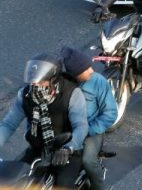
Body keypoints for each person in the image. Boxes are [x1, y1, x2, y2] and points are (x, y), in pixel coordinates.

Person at [0, 54, 88, 186]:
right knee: (11, 181)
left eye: (41, 82)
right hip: (38, 148)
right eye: (32, 82)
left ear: (53, 80)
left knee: (63, 184)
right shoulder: (25, 95)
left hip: (67, 151)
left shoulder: (72, 94)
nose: (35, 86)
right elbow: (8, 124)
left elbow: (81, 127)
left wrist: (68, 148)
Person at [60, 47, 115, 190]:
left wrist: (88, 130)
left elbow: (110, 113)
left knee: (88, 161)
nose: (91, 70)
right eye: (86, 69)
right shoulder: (64, 84)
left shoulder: (98, 81)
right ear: (75, 74)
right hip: (67, 130)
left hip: (92, 131)